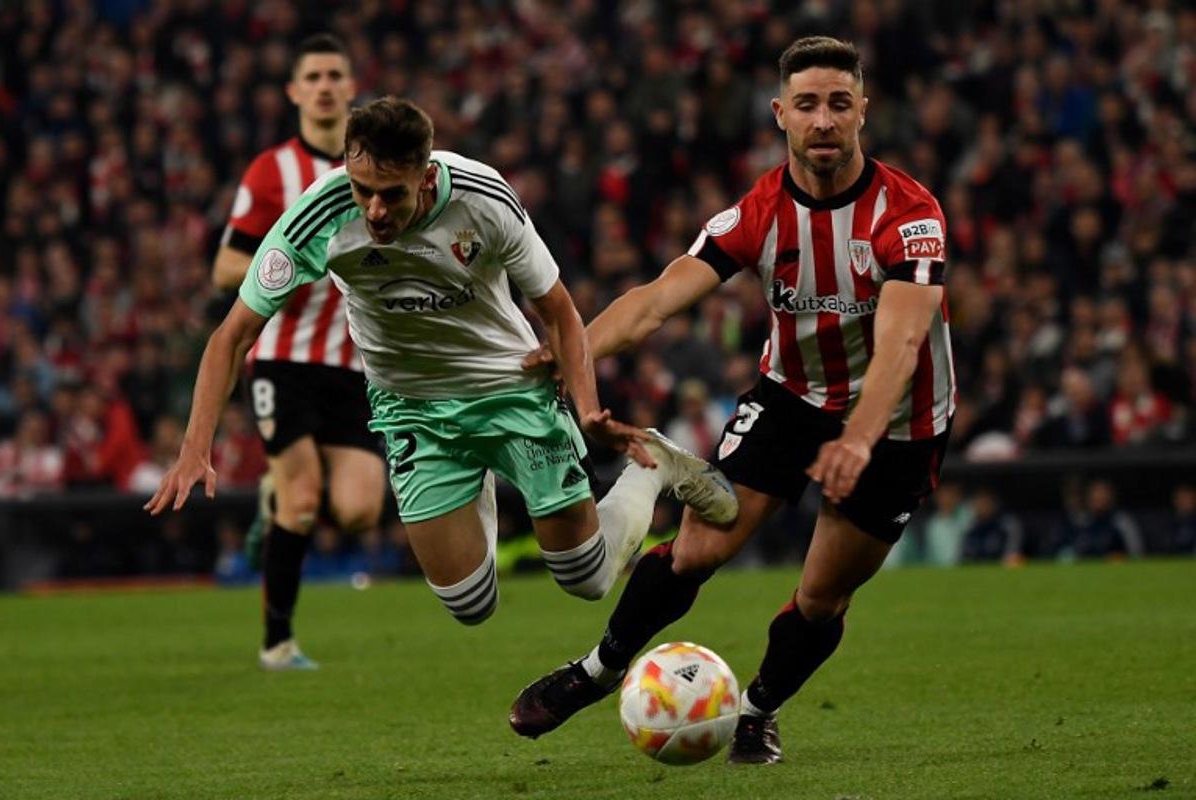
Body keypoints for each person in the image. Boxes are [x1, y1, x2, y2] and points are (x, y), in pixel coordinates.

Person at [508, 36, 955, 765]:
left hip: (898, 425)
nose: (822, 122)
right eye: (806, 105)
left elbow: (903, 349)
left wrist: (858, 440)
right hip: (791, 401)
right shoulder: (758, 211)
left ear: (863, 113)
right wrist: (574, 347)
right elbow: (656, 300)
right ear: (780, 113)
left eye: (839, 104)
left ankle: (758, 710)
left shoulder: (908, 215)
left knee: (820, 597)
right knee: (696, 550)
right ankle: (596, 670)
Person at [145, 97, 737, 642]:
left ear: (425, 176)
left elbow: (559, 310)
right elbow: (233, 335)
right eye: (362, 189)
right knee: (469, 604)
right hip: (412, 408)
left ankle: (654, 466)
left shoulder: (483, 199)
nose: (374, 209)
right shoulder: (319, 215)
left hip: (509, 386)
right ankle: (472, 472)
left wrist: (585, 410)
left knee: (584, 576)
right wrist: (196, 446)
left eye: (392, 194)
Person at [209, 34, 388, 671]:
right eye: (310, 75)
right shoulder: (272, 171)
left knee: (361, 508)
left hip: (353, 361)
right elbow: (225, 268)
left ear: (350, 87)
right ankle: (277, 643)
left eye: (334, 74)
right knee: (305, 498)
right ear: (293, 91)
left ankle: (272, 500)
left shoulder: (377, 166)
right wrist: (292, 259)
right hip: (283, 357)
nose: (323, 85)